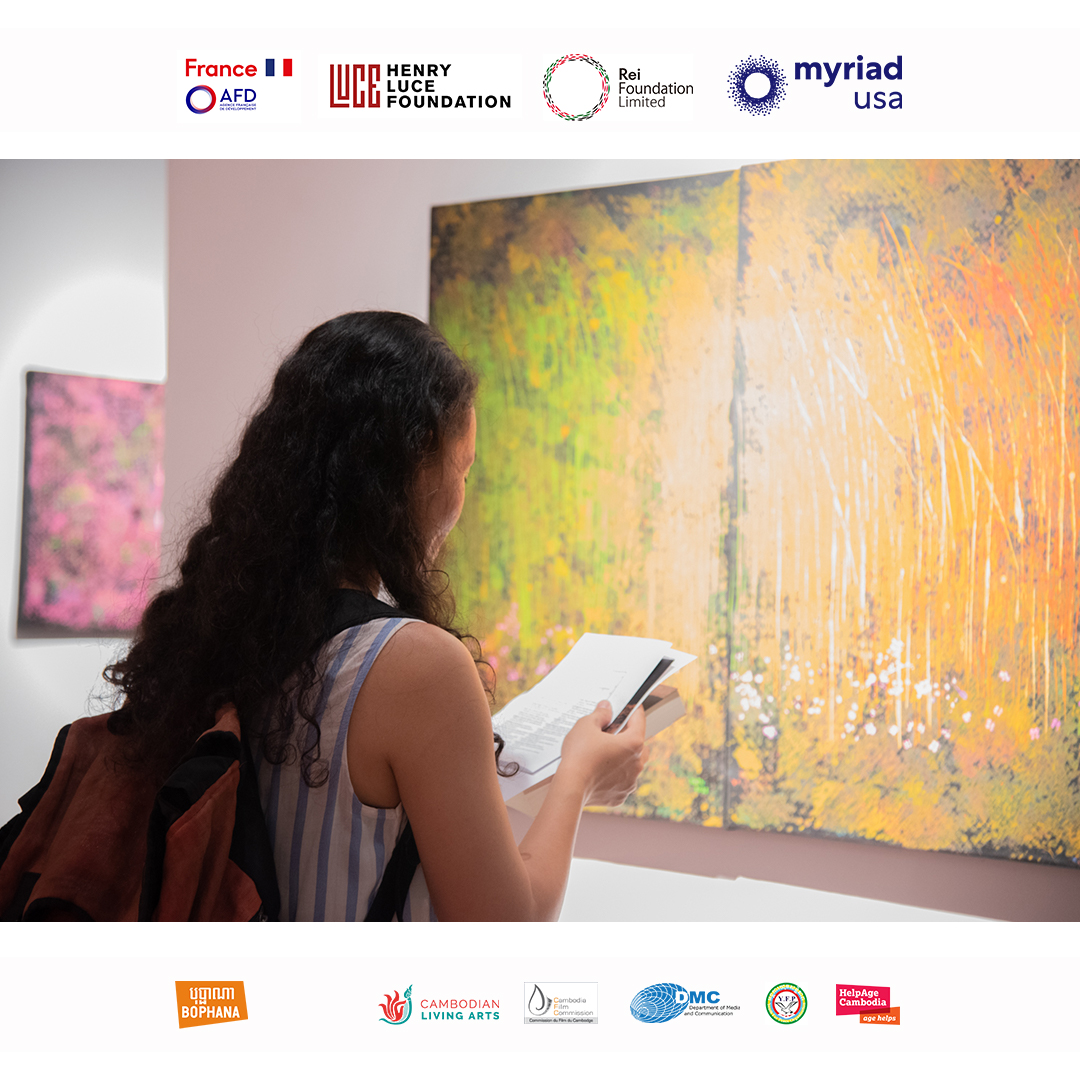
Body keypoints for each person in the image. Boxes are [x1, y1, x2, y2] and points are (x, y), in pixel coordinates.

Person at [105, 310, 646, 921]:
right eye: (463, 469)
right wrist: (577, 777)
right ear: (415, 467)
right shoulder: (417, 668)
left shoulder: (217, 633)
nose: (460, 498)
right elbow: (503, 926)